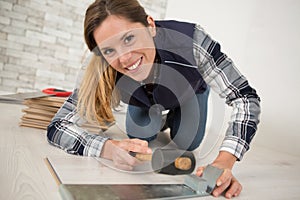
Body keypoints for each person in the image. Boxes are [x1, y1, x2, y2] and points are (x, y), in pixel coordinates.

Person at [47, 0, 261, 198]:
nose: (124, 58)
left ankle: (174, 117)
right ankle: (159, 118)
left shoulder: (192, 41)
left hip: (189, 92)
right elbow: (58, 126)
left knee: (188, 140)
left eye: (129, 38)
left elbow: (244, 97)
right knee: (140, 134)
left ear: (150, 25)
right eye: (110, 50)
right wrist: (108, 147)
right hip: (145, 100)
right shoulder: (100, 65)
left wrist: (225, 161)